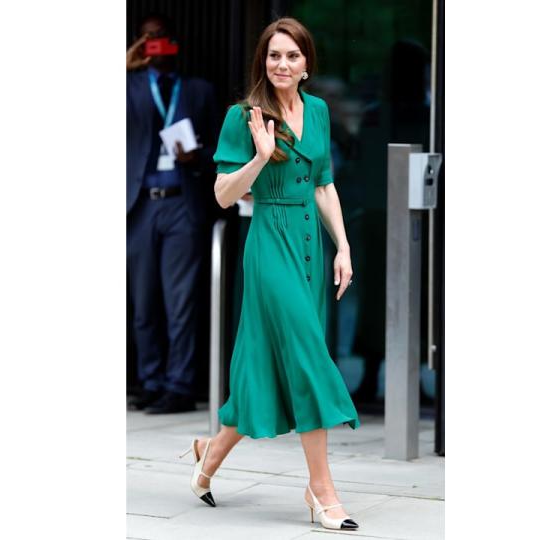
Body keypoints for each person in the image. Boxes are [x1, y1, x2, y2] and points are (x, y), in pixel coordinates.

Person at [176, 17, 361, 531]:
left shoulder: (319, 111)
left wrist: (343, 245)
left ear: (307, 64)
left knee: (264, 367)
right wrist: (259, 157)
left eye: (292, 56)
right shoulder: (244, 116)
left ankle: (208, 456)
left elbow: (323, 186)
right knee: (308, 356)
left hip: (309, 244)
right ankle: (321, 491)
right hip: (270, 242)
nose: (282, 64)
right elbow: (222, 194)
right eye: (274, 55)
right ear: (264, 61)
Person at [126, 13, 219, 414]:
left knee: (180, 301)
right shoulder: (127, 86)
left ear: (174, 42)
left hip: (183, 200)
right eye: (147, 39)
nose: (155, 44)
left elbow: (219, 146)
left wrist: (198, 159)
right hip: (140, 203)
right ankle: (150, 380)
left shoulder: (197, 90)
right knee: (143, 302)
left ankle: (179, 385)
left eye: (161, 37)